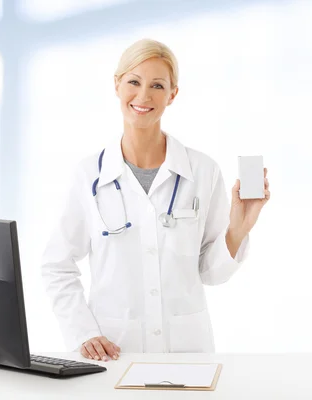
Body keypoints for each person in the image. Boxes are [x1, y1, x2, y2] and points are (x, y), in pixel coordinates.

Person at [41, 38, 270, 362]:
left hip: (187, 351)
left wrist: (237, 230)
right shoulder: (89, 174)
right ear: (117, 85)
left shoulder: (202, 171)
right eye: (134, 81)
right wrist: (83, 333)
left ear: (172, 94)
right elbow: (56, 265)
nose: (144, 96)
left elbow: (211, 273)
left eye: (157, 85)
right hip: (112, 350)